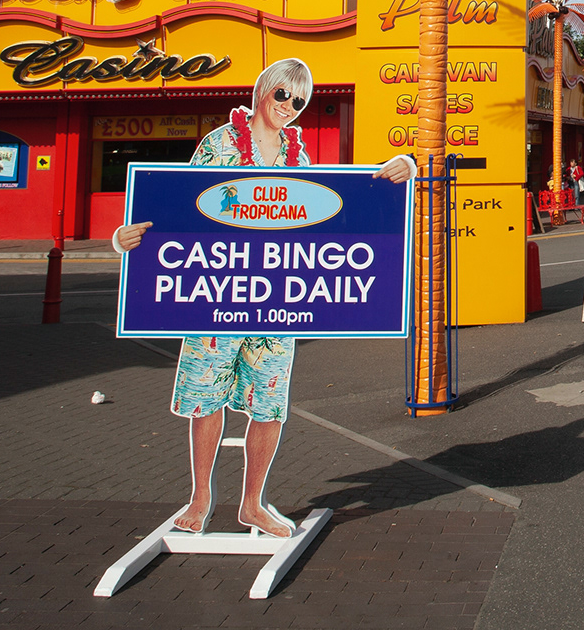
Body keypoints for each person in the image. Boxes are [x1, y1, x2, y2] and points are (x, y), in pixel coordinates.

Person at [112, 58, 413, 538]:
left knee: (269, 403)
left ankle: (252, 503)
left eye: (299, 101)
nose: (288, 108)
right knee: (206, 398)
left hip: (276, 303)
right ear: (262, 91)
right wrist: (126, 237)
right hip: (217, 295)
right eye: (281, 95)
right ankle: (201, 498)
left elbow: (333, 211)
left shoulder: (300, 155)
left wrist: (401, 170)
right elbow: (179, 208)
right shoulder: (219, 143)